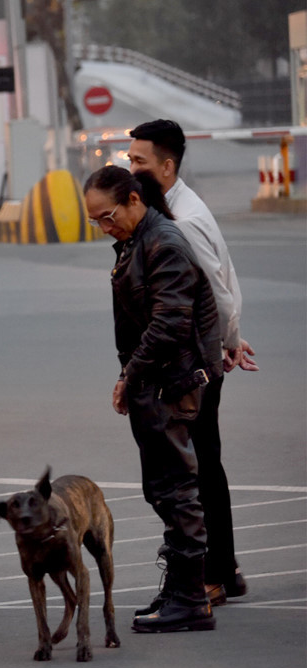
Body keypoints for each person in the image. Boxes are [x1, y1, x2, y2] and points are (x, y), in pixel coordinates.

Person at [84, 165, 223, 633]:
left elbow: (169, 325)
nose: (105, 227)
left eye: (107, 216)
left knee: (178, 490)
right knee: (163, 489)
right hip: (153, 382)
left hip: (170, 383)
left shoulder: (164, 242)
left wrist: (130, 375)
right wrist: (133, 376)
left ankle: (190, 599)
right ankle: (181, 590)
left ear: (133, 200)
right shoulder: (137, 242)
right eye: (96, 222)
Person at [128, 120, 257, 605]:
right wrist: (231, 338)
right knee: (204, 465)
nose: (131, 169)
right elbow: (226, 277)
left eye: (140, 161)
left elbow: (217, 288)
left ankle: (215, 575)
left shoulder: (181, 220)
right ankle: (226, 569)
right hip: (205, 356)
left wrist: (229, 342)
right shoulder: (176, 206)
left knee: (197, 471)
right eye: (130, 160)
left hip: (196, 364)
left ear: (167, 165)